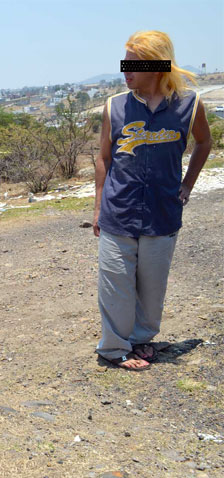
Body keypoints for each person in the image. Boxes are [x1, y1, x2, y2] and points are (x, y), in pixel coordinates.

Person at [93, 31, 212, 370]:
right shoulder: (115, 106)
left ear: (158, 66)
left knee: (152, 287)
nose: (125, 70)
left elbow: (204, 142)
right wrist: (98, 207)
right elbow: (104, 158)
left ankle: (140, 339)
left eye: (133, 64)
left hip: (162, 213)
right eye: (125, 63)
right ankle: (114, 349)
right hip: (119, 211)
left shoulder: (189, 105)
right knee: (115, 285)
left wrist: (187, 185)